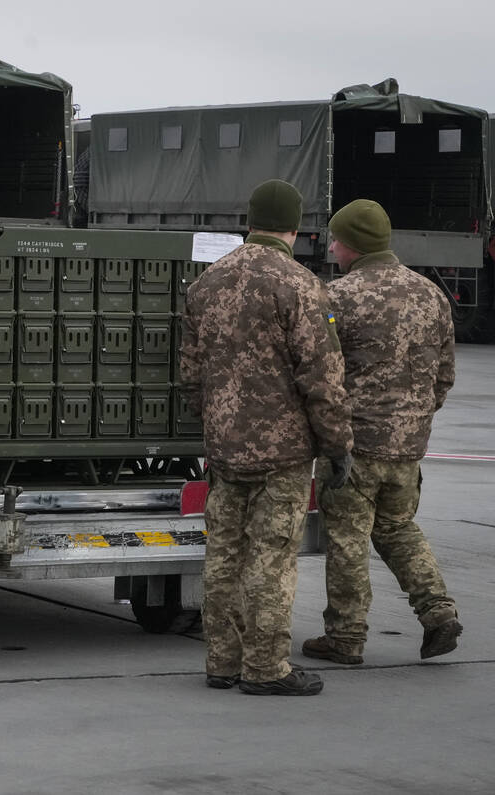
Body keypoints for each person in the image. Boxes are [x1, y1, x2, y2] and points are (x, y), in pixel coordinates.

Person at [180, 178, 353, 696]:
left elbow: (191, 375)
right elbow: (321, 376)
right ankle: (266, 668)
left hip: (225, 450)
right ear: (296, 228)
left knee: (224, 556)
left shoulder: (206, 282)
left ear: (247, 221)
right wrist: (337, 442)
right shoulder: (301, 285)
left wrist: (217, 423)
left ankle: (222, 663)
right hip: (284, 452)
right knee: (272, 558)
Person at [301, 199, 461, 665]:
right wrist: (413, 421)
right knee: (399, 529)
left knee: (348, 539)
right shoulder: (430, 294)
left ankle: (346, 637)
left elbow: (322, 376)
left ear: (351, 244)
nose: (331, 246)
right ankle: (438, 611)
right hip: (407, 447)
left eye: (335, 238)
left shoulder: (340, 297)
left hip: (354, 445)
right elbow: (444, 376)